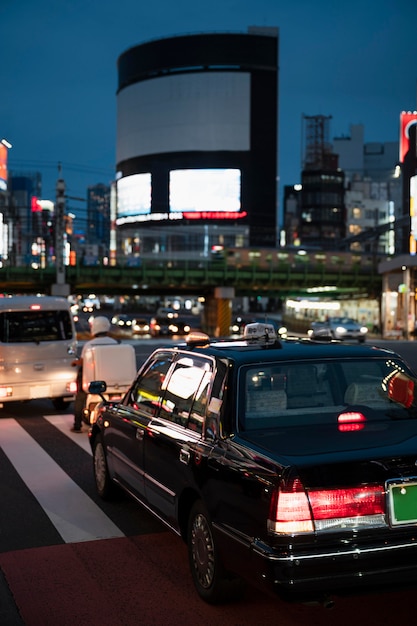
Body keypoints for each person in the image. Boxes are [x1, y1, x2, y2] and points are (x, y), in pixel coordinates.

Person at [71, 316, 117, 432]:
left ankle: (77, 425)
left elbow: (83, 361)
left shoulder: (89, 345)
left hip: (94, 380)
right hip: (113, 379)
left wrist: (75, 362)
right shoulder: (114, 342)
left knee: (80, 395)